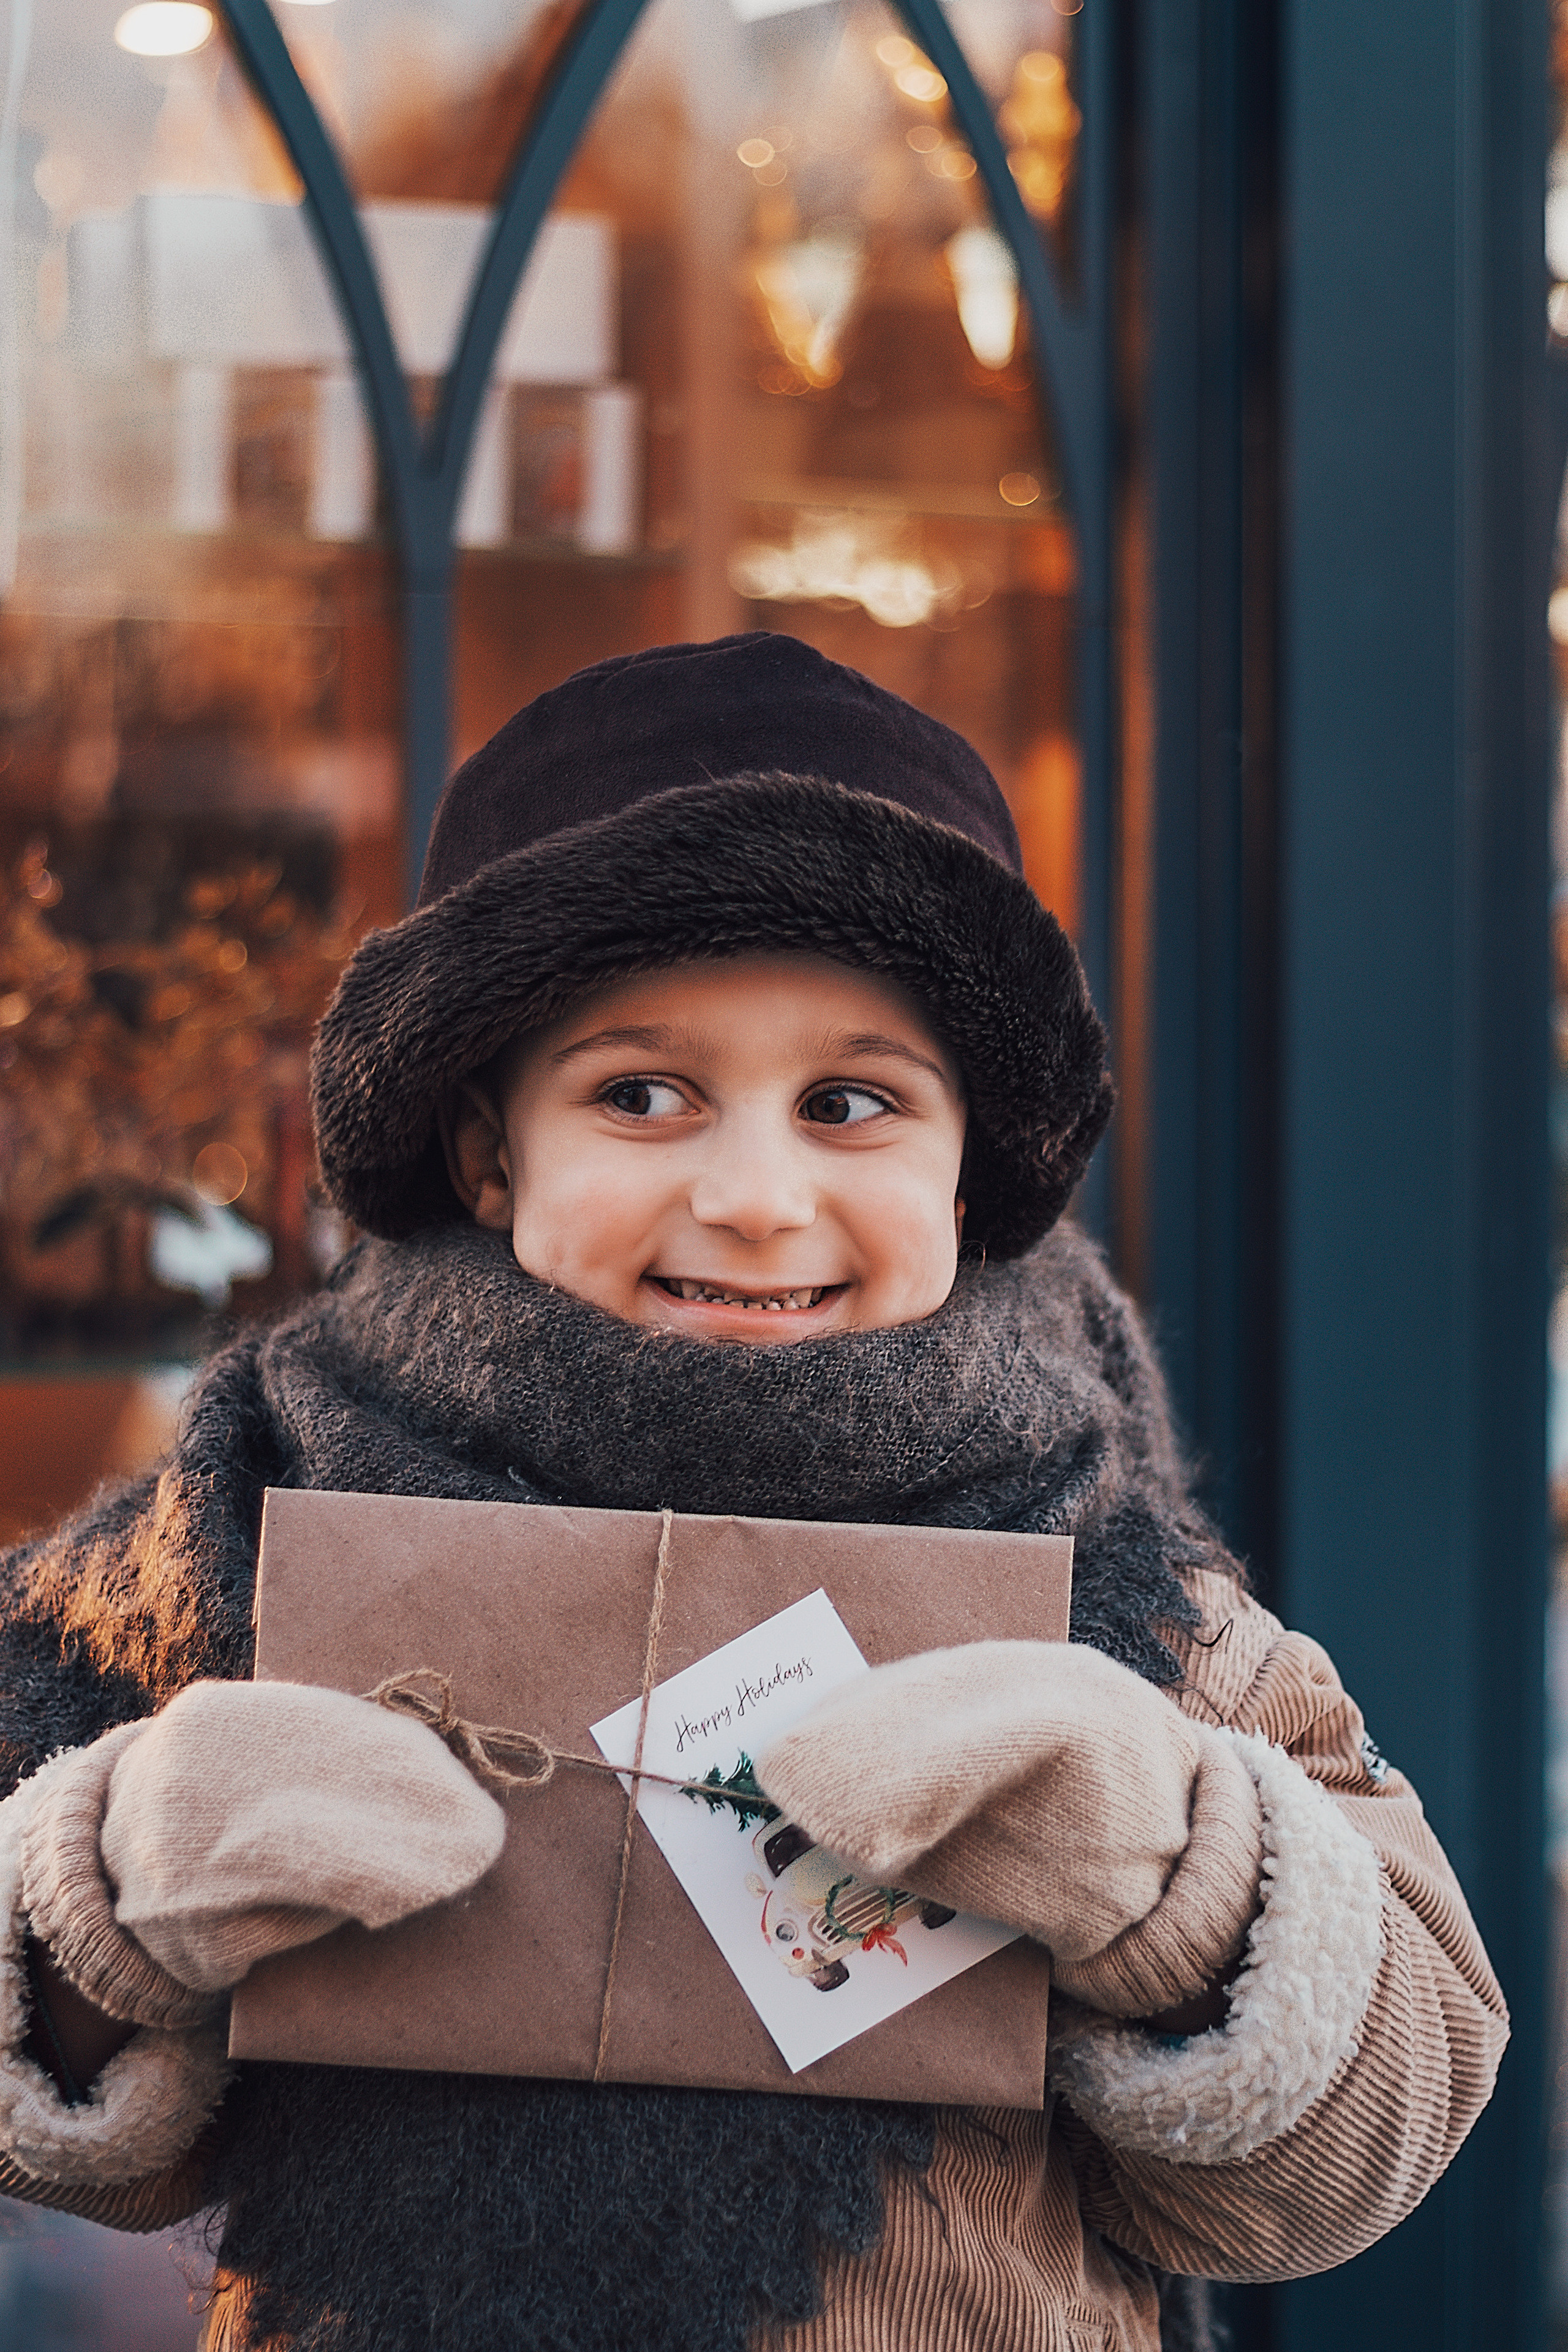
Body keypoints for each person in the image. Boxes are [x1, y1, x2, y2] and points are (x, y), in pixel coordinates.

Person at [0, 636, 1506, 2352]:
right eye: (642, 1095)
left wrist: (1186, 1885)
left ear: (966, 1159)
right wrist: (96, 1913)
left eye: (852, 1103)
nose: (758, 1195)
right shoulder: (242, 1543)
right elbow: (57, 2111)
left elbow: (1362, 2149)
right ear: (494, 1150)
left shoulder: (1126, 1596)